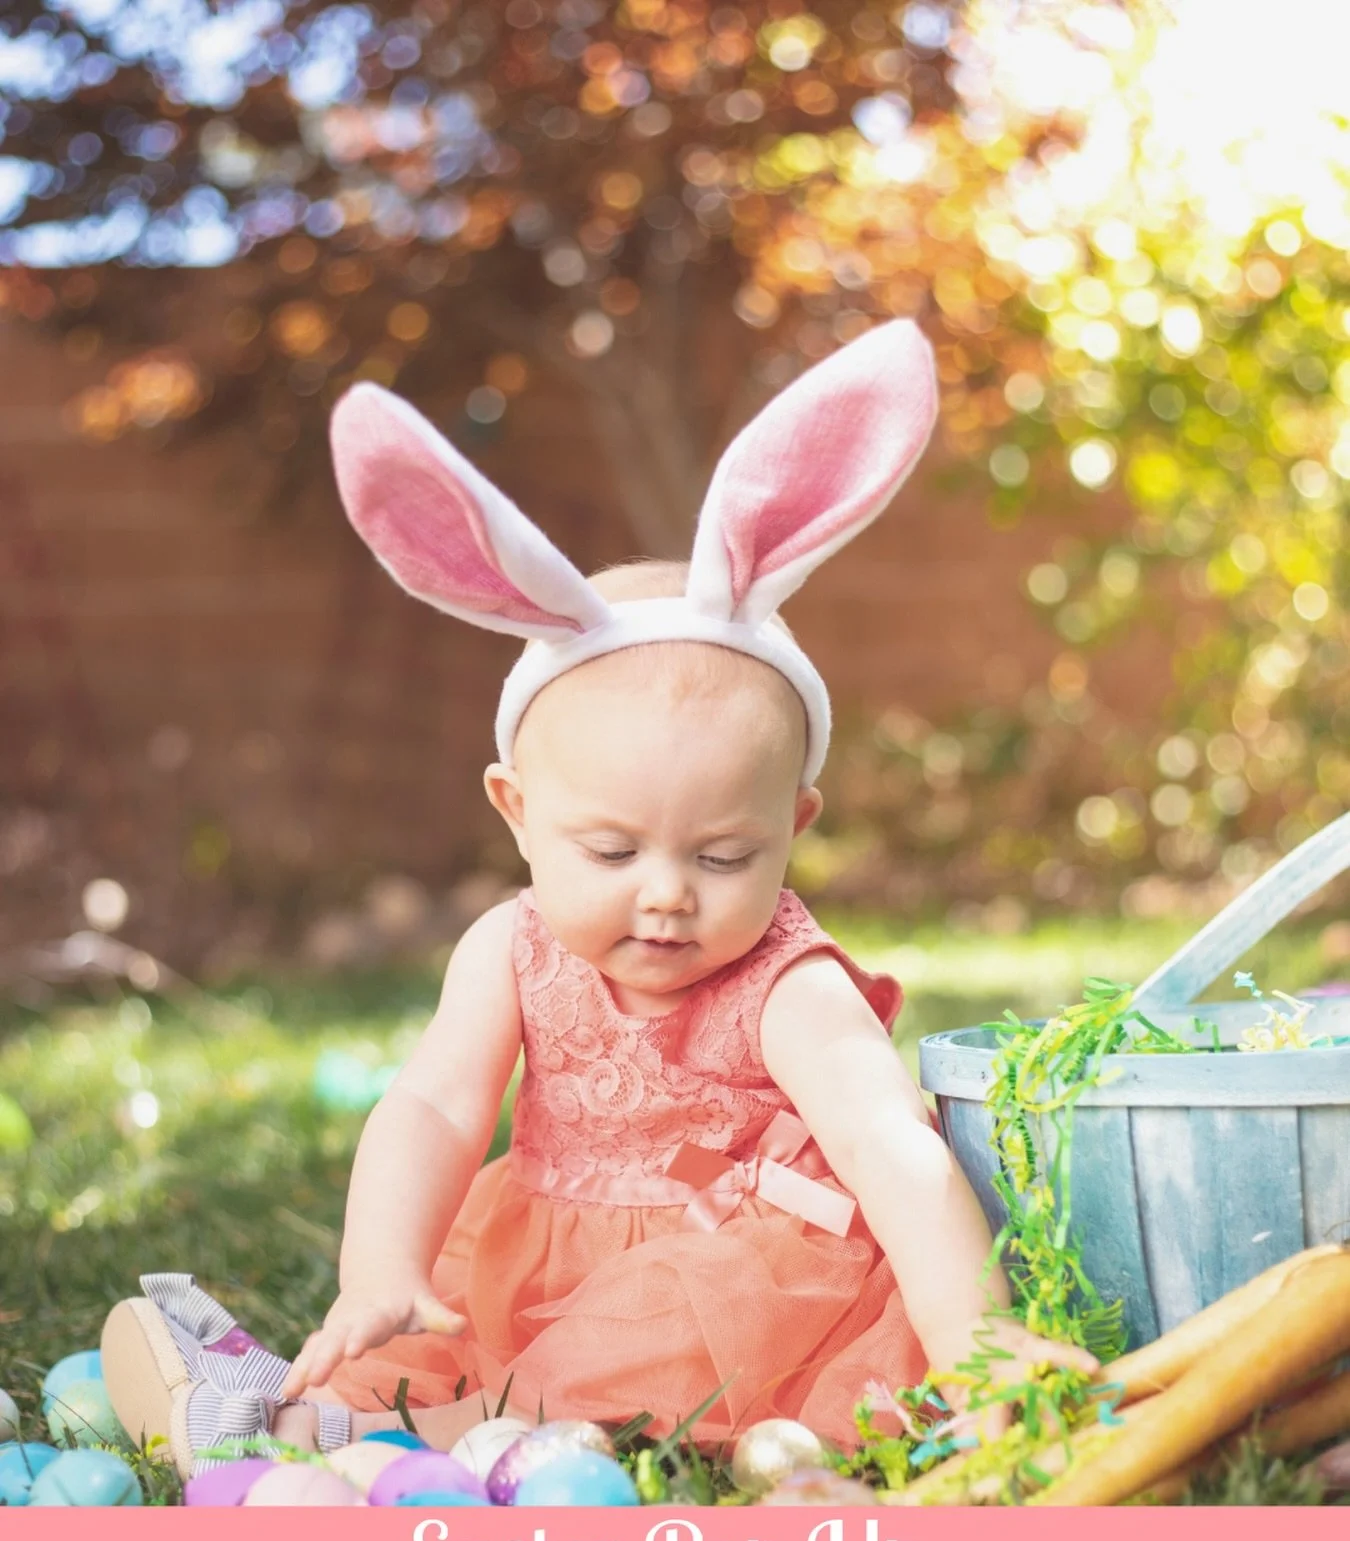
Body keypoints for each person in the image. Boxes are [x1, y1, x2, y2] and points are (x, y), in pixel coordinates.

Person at [102, 321, 1094, 1477]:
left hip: (735, 1276)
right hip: (539, 1254)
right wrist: (381, 1268)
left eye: (723, 856)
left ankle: (333, 1439)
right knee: (449, 1345)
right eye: (611, 851)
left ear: (795, 828)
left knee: (603, 1388)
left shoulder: (787, 980)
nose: (668, 896)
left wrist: (979, 1346)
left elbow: (891, 1147)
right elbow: (433, 1105)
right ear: (517, 811)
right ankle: (337, 1416)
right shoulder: (507, 947)